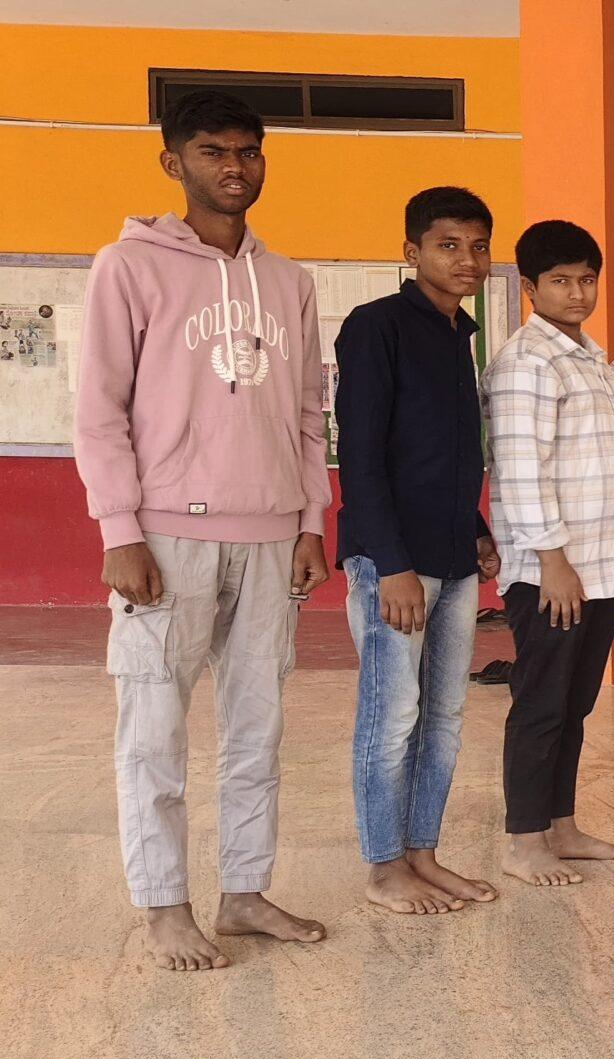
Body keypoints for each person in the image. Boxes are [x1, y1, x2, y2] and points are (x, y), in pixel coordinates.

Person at [75, 89, 333, 969]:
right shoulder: (128, 266)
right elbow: (99, 409)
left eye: (249, 151)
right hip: (165, 538)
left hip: (271, 538)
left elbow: (309, 414)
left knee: (258, 729)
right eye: (213, 151)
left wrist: (310, 520)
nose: (235, 166)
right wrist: (119, 529)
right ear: (173, 162)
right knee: (154, 729)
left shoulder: (290, 281)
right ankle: (163, 905)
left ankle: (245, 892)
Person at [333, 186, 503, 914]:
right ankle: (383, 867)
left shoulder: (459, 333)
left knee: (444, 715)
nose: (467, 259)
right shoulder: (377, 327)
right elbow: (361, 455)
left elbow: (446, 453)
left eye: (479, 246)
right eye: (448, 245)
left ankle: (422, 853)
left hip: (453, 557)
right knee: (392, 715)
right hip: (395, 561)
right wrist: (390, 563)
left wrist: (477, 529)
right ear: (412, 252)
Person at [484, 219, 614, 887]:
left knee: (574, 706)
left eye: (586, 279)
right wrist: (552, 561)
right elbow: (521, 470)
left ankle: (562, 826)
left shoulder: (593, 360)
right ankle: (524, 841)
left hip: (601, 568)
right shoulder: (527, 363)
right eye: (560, 281)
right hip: (554, 573)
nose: (577, 293)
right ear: (529, 287)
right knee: (541, 705)